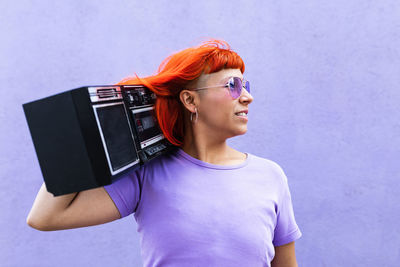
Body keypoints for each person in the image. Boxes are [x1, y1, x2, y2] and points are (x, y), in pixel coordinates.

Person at [27, 39, 302, 266]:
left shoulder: (270, 176)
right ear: (190, 100)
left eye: (246, 86)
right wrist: (86, 135)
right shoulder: (148, 174)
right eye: (232, 86)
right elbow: (45, 217)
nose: (247, 96)